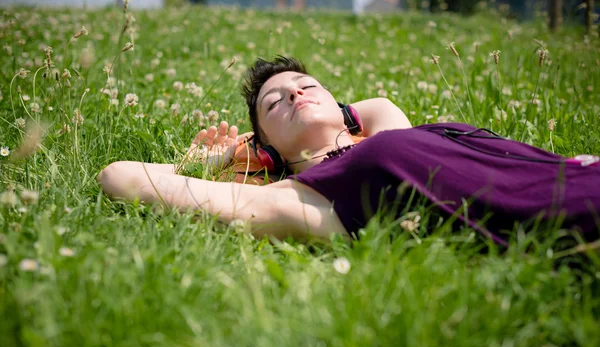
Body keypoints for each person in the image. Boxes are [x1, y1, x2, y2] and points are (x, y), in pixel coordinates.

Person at [98, 56, 600, 246]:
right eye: (275, 102)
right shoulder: (313, 197)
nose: (295, 93)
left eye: (306, 84)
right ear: (265, 146)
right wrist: (222, 158)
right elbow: (118, 176)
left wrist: (327, 117)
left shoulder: (387, 131)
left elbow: (376, 106)